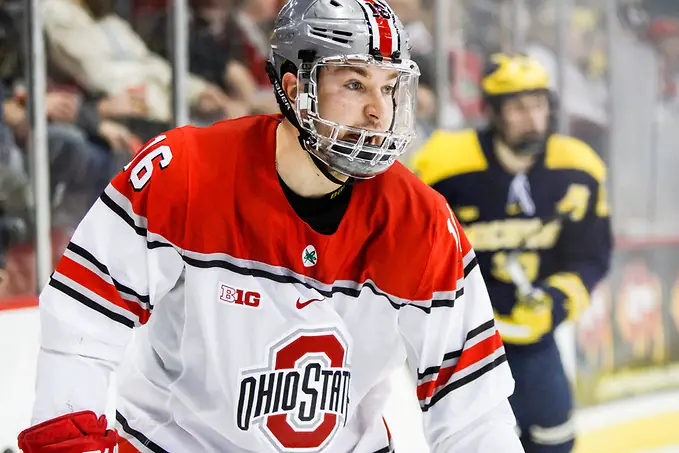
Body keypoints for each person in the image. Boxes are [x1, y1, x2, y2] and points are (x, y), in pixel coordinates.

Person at [17, 2, 523, 452]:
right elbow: (82, 324)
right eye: (353, 84)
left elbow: (473, 409)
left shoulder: (423, 224)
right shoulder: (187, 173)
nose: (378, 111)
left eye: (389, 87)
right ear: (294, 87)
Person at [412, 53, 613, 453]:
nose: (532, 117)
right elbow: (414, 247)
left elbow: (590, 255)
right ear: (492, 111)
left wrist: (555, 301)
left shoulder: (579, 168)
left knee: (555, 440)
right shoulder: (442, 164)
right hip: (464, 343)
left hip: (534, 336)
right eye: (518, 107)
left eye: (539, 104)